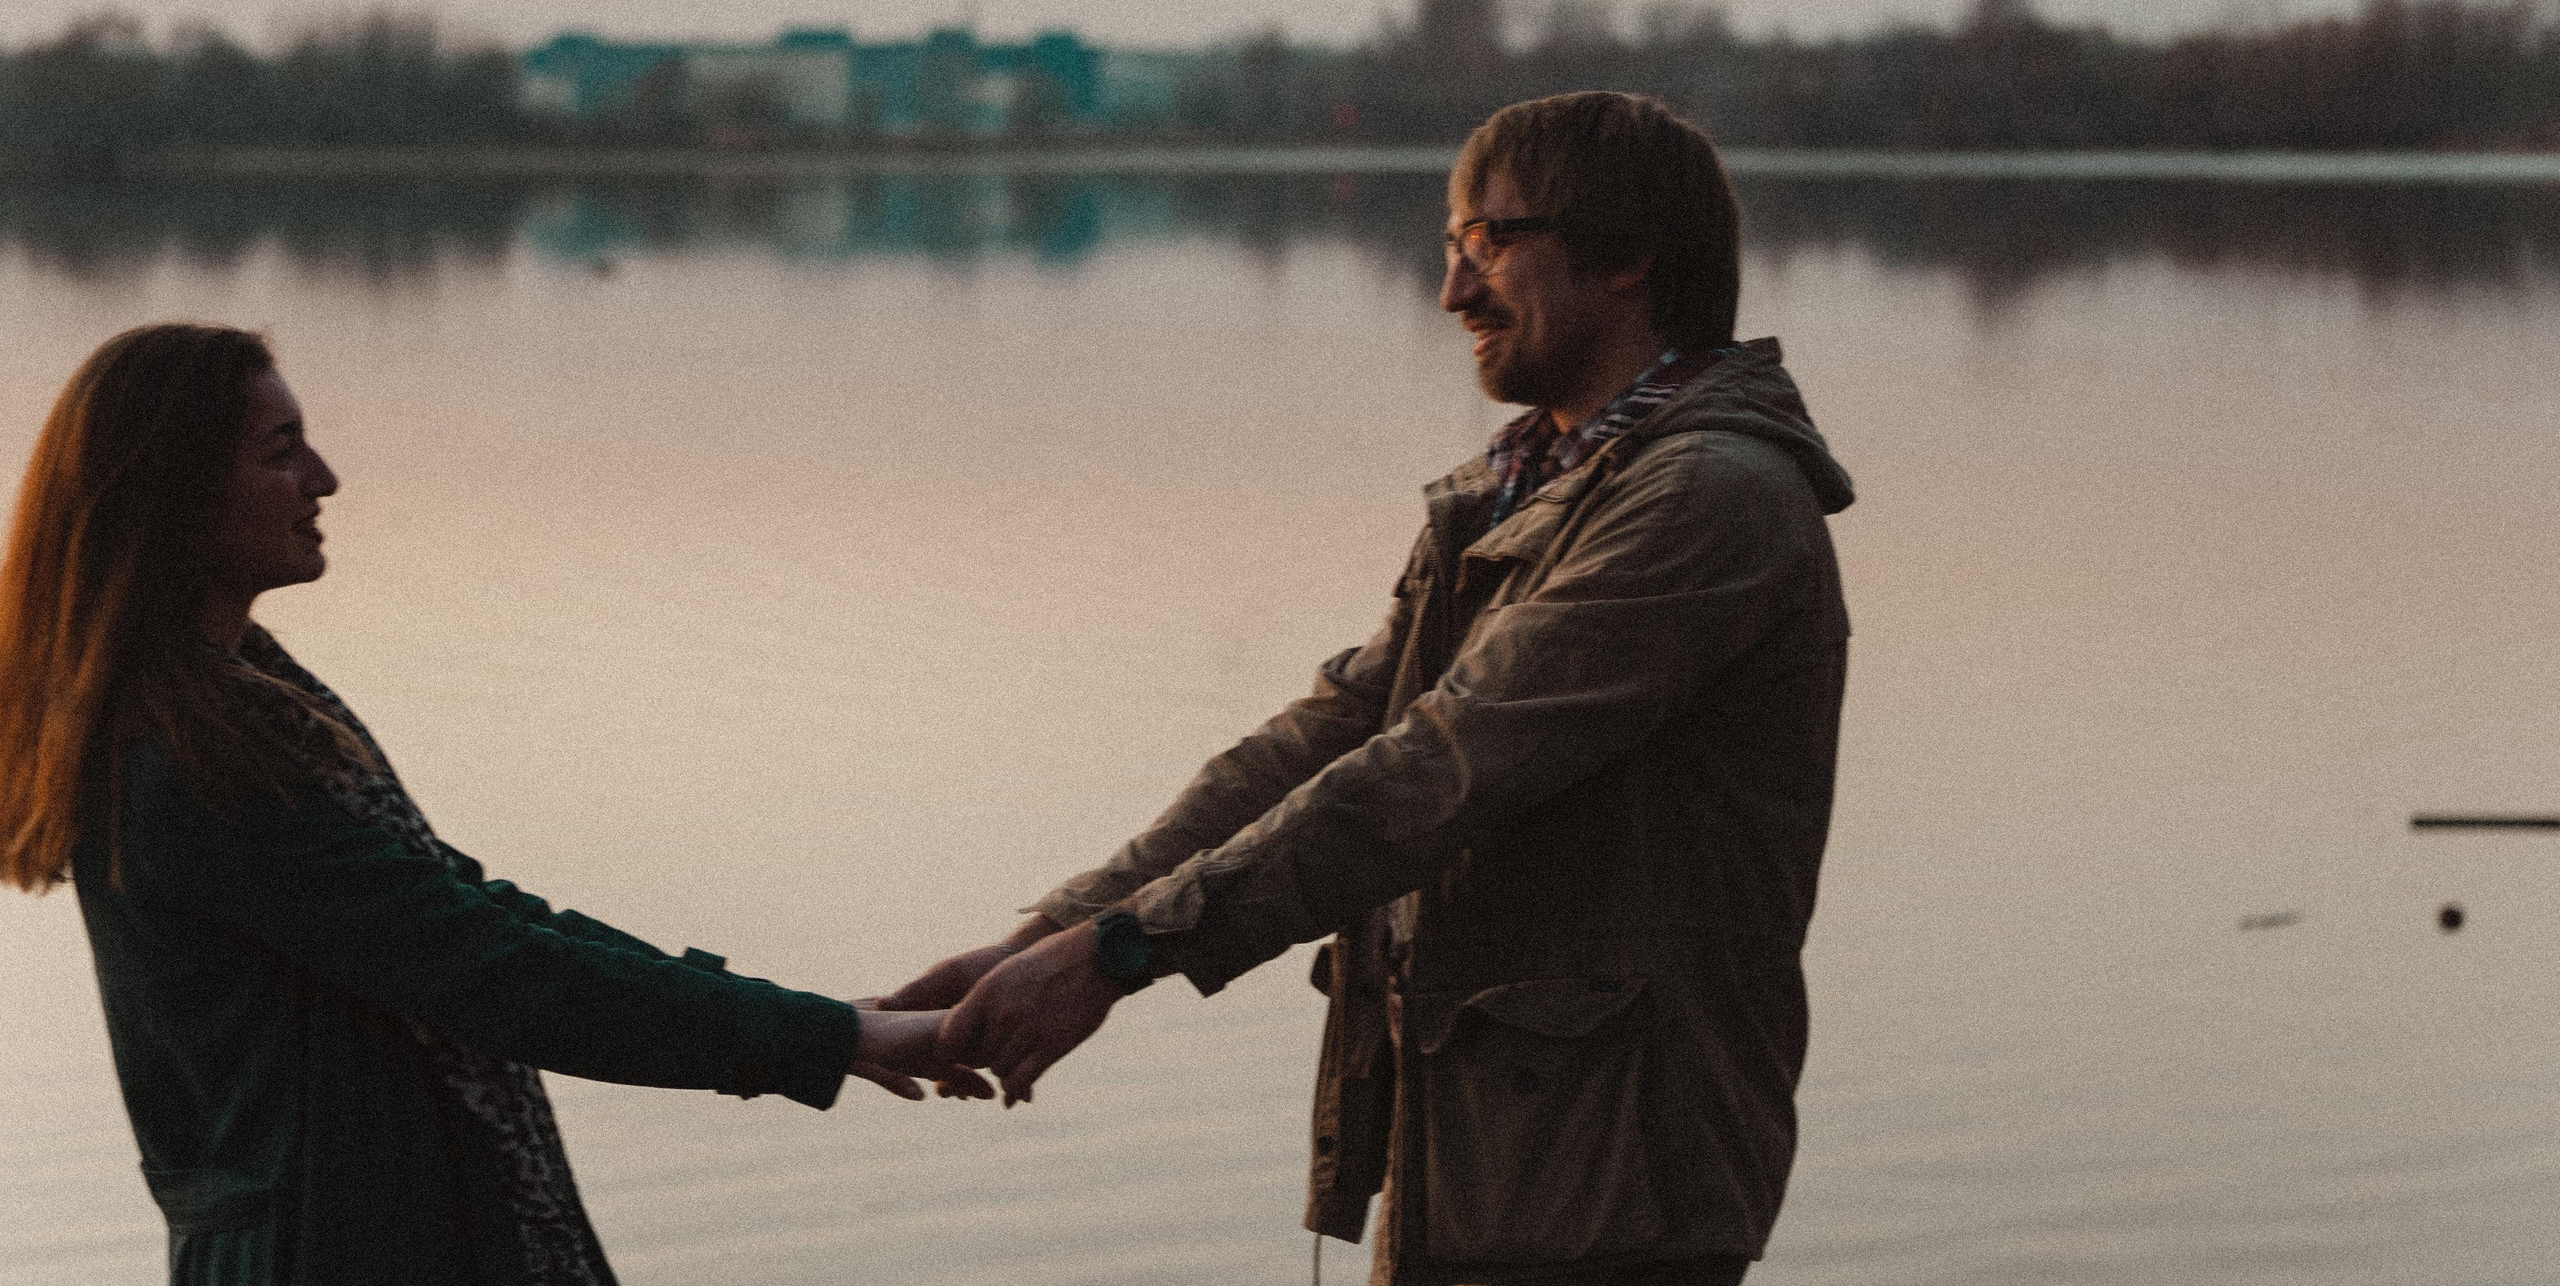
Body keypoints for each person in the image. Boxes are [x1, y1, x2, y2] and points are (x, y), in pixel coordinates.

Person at [894, 91, 1855, 1285]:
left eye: (1488, 243)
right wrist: (1050, 932)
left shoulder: (1706, 500)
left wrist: (1122, 954)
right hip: (1492, 1136)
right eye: (1451, 246)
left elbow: (1441, 767)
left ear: (1626, 258)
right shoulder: (1527, 486)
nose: (1453, 292)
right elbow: (1337, 730)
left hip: (1615, 1171)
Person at [0, 324, 986, 1286]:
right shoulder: (190, 757)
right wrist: (822, 1039)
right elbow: (487, 968)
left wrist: (809, 1026)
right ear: (173, 495)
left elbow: (467, 915)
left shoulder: (238, 712)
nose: (324, 480)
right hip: (332, 1249)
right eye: (280, 452)